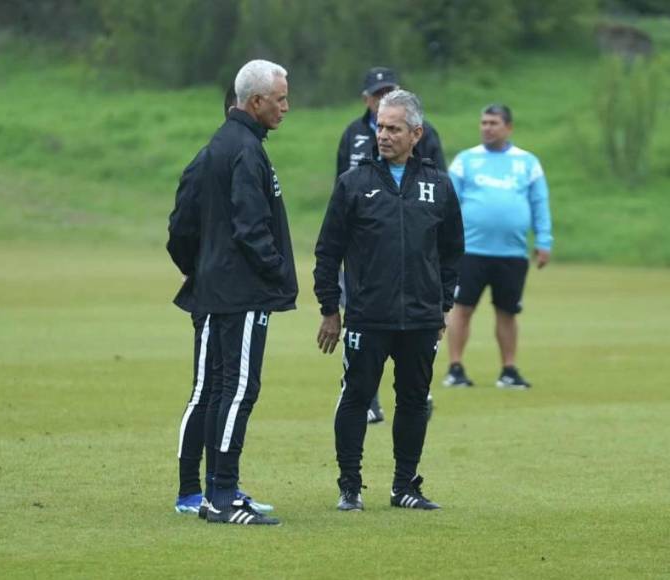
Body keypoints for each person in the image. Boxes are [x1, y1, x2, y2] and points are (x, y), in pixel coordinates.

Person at [315, 89, 464, 512]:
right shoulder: (353, 183)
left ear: (416, 134)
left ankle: (404, 487)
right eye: (380, 127)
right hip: (367, 315)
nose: (383, 135)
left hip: (420, 317)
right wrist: (330, 308)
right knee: (356, 397)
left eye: (393, 128)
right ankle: (350, 487)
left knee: (414, 401)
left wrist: (442, 305)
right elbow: (328, 251)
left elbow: (452, 250)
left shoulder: (438, 185)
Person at [166, 59, 297, 526]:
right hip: (239, 292)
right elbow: (250, 227)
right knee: (236, 389)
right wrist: (275, 271)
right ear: (256, 102)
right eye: (280, 99)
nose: (286, 107)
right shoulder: (243, 150)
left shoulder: (219, 146)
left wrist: (201, 269)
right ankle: (219, 496)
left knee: (213, 388)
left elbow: (181, 228)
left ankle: (202, 490)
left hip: (216, 288)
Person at [335, 66, 447, 424]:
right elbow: (342, 186)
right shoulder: (352, 134)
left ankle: (418, 389)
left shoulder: (424, 133)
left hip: (412, 247)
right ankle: (366, 397)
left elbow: (439, 190)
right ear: (366, 99)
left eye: (389, 91)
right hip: (367, 252)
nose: (383, 99)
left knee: (415, 324)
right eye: (377, 94)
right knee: (364, 326)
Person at [442, 104, 552, 390]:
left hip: (512, 253)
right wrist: (444, 240)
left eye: (493, 123)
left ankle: (509, 370)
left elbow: (539, 202)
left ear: (508, 127)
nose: (487, 128)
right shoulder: (465, 160)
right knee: (461, 308)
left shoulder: (527, 162)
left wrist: (544, 240)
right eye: (484, 122)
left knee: (507, 311)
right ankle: (455, 368)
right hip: (470, 251)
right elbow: (448, 203)